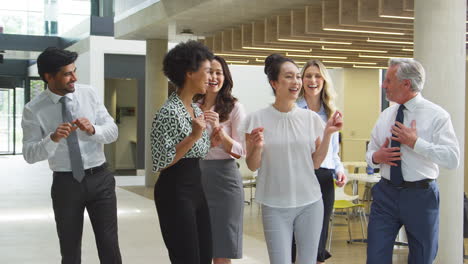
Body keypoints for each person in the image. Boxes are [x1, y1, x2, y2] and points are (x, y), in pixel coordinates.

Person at [22, 47, 121, 263]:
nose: (74, 78)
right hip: (66, 183)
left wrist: (94, 129)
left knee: (109, 244)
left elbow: (112, 132)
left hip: (100, 178)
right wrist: (52, 139)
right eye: (67, 74)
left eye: (74, 71)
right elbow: (29, 154)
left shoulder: (89, 93)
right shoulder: (33, 109)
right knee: (69, 248)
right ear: (49, 76)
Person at [241, 54, 343, 264]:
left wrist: (328, 135)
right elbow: (252, 165)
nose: (296, 82)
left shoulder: (311, 119)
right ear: (274, 83)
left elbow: (315, 163)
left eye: (298, 76)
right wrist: (257, 147)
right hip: (274, 204)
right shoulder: (256, 119)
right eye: (289, 77)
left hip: (310, 203)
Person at [366, 58, 460, 264]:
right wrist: (375, 157)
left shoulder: (437, 116)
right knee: (375, 257)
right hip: (385, 194)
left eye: (389, 80)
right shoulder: (386, 115)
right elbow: (371, 151)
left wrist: (416, 143)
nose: (384, 85)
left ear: (406, 84)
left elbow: (452, 159)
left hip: (421, 196)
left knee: (422, 258)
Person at [150, 40, 214, 264]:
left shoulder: (196, 109)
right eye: (207, 71)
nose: (211, 77)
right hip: (174, 191)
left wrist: (212, 135)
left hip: (196, 188)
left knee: (204, 256)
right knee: (187, 258)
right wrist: (193, 137)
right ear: (189, 73)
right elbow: (161, 161)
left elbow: (199, 151)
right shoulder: (168, 112)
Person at [292, 59, 347, 264]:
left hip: (323, 178)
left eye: (317, 76)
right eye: (308, 75)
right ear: (302, 80)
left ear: (324, 81)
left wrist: (339, 170)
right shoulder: (293, 110)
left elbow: (334, 153)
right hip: (299, 176)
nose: (312, 80)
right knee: (296, 237)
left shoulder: (331, 112)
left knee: (319, 237)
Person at [194, 55, 246, 264]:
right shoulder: (192, 106)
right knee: (199, 245)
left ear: (225, 77)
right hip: (196, 177)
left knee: (222, 249)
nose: (214, 77)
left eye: (219, 72)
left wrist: (220, 133)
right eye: (209, 72)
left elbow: (241, 151)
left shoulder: (235, 108)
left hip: (225, 180)